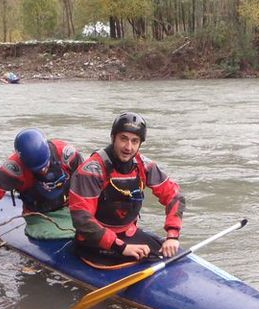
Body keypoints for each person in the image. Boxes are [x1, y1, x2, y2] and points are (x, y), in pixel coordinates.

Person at [68, 112, 185, 266]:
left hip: (127, 235)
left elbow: (175, 196)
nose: (128, 147)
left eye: (135, 141)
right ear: (113, 138)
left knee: (178, 256)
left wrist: (172, 235)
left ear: (140, 143)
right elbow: (82, 220)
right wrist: (121, 247)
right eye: (123, 139)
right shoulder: (91, 170)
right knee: (154, 259)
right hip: (94, 244)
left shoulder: (144, 166)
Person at [0, 128, 84, 243]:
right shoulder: (13, 169)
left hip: (69, 207)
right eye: (37, 169)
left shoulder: (67, 154)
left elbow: (89, 182)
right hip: (39, 215)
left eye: (45, 165)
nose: (43, 171)